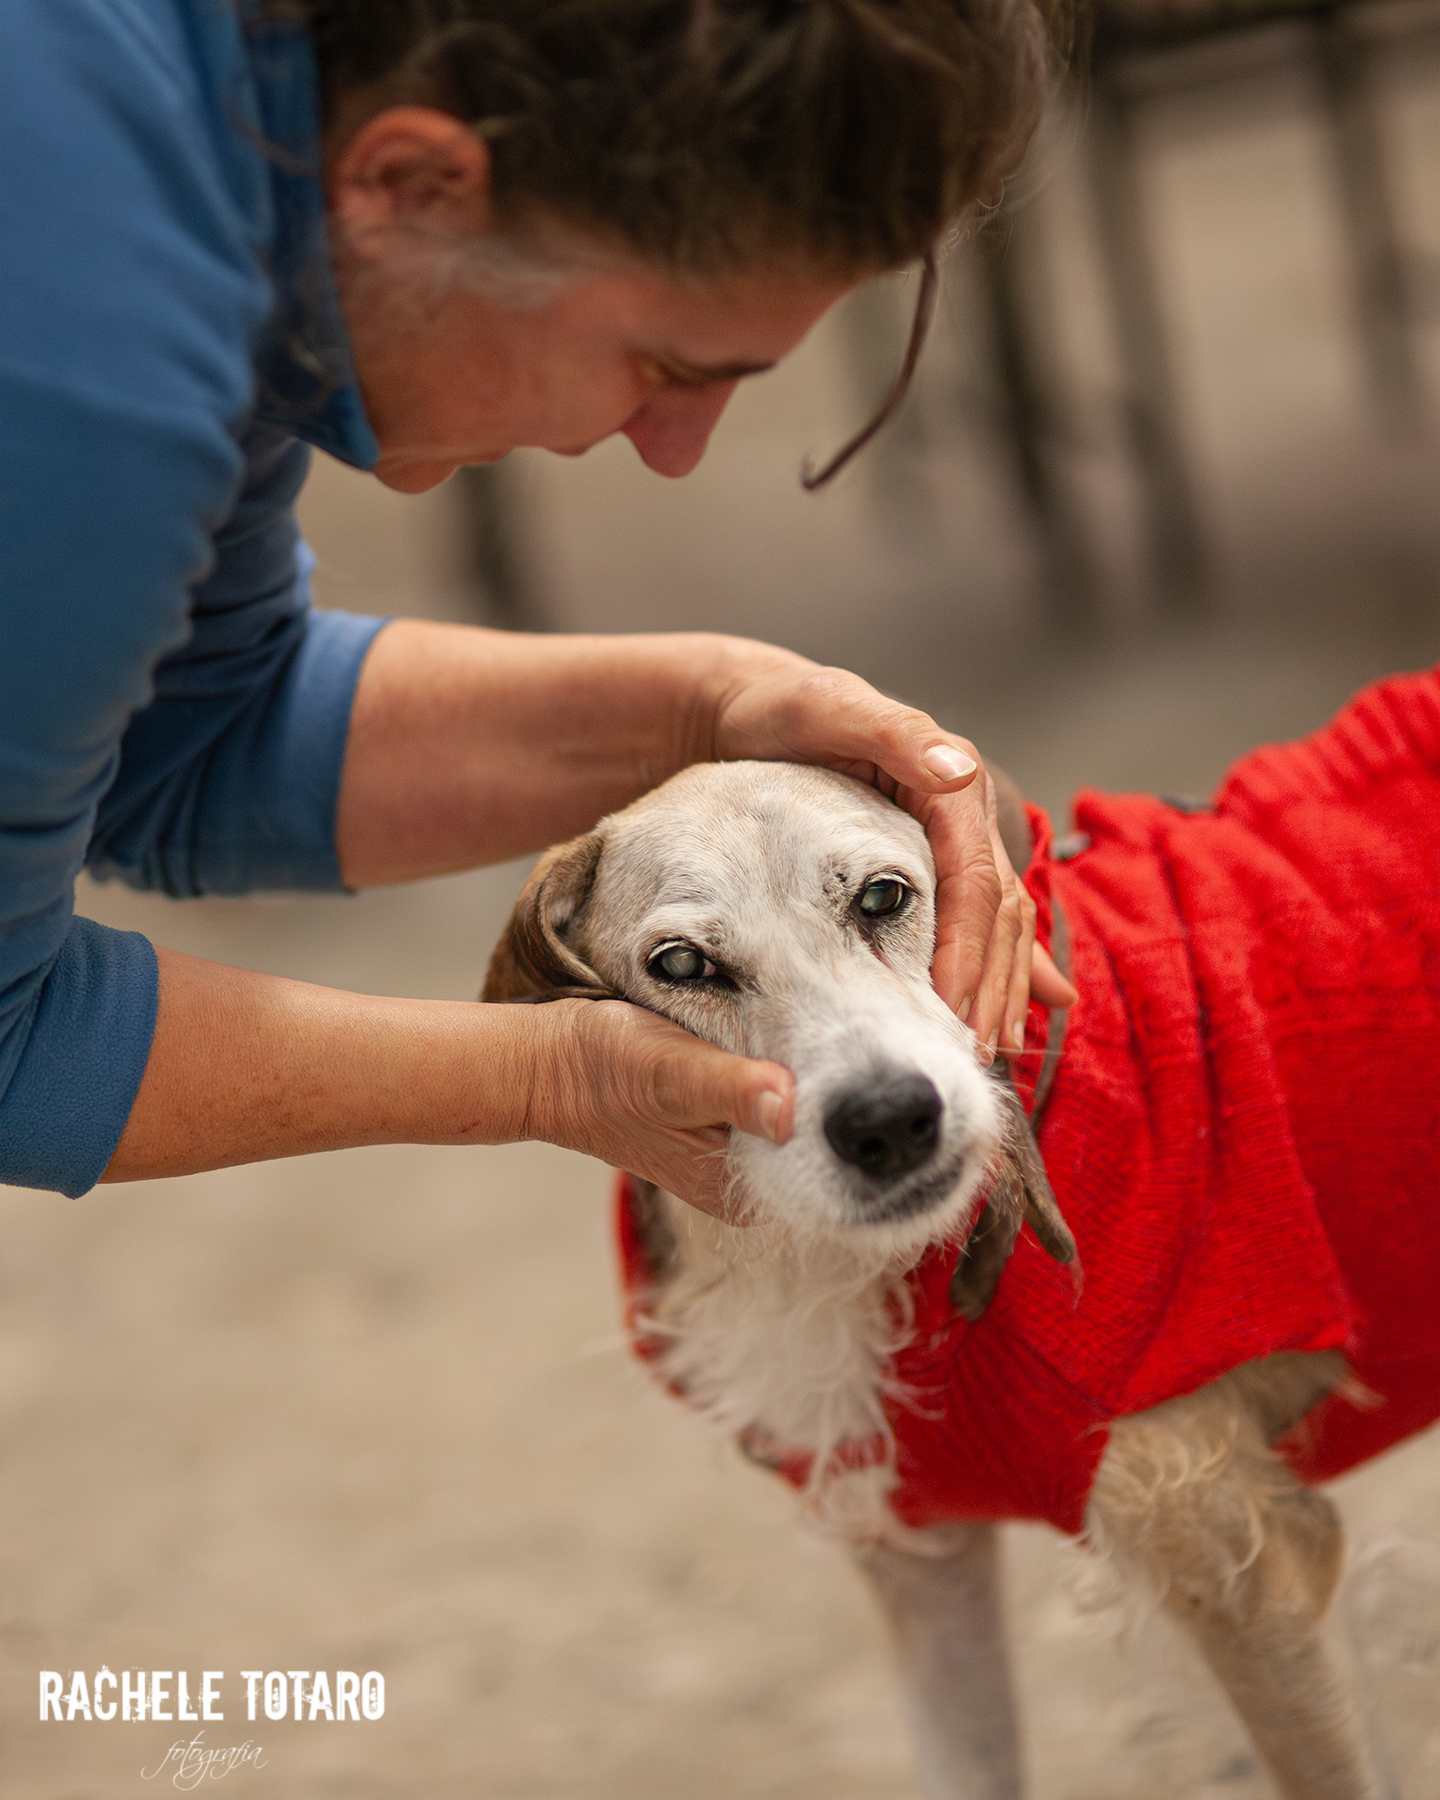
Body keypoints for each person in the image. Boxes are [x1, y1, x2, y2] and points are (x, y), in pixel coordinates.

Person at [0, 0, 1074, 1217]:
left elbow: (191, 726)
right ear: (412, 186)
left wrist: (712, 708)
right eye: (668, 365)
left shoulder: (241, 160)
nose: (676, 450)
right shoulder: (90, 357)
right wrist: (553, 1076)